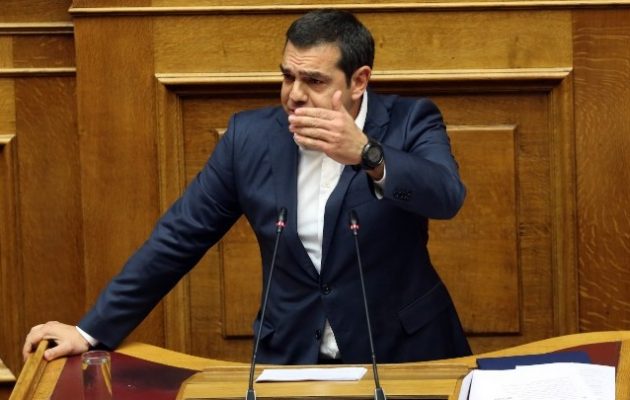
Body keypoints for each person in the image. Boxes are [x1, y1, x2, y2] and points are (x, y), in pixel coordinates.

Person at [23, 9, 471, 365]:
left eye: (314, 81)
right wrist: (89, 331)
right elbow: (179, 237)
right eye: (288, 76)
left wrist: (368, 154)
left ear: (359, 81)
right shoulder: (249, 139)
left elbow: (446, 196)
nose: (295, 95)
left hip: (404, 356)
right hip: (292, 360)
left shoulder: (410, 121)